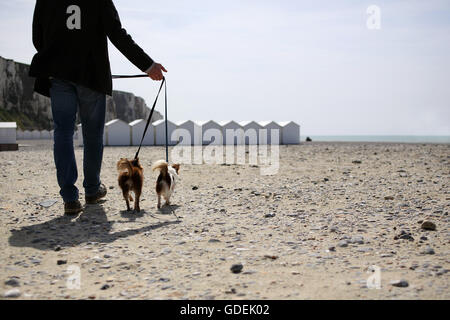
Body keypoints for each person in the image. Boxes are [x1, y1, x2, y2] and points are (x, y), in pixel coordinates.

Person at [29, 0, 167, 214]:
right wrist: (148, 65)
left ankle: (69, 197)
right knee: (92, 134)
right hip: (91, 75)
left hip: (59, 74)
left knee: (63, 133)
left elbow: (37, 36)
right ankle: (92, 190)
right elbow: (117, 34)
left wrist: (56, 57)